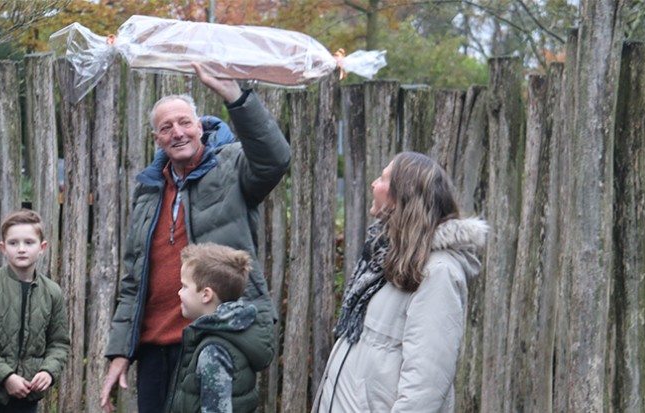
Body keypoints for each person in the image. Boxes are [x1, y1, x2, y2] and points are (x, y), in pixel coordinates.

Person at [100, 62, 290, 413]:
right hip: (156, 346)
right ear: (156, 139)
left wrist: (235, 96)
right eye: (166, 127)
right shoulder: (149, 189)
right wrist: (119, 352)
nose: (177, 132)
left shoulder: (232, 165)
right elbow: (134, 279)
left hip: (215, 341)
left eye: (185, 122)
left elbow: (275, 160)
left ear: (201, 127)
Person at [312, 152, 489, 412]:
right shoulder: (387, 258)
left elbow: (425, 386)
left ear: (402, 197)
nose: (373, 184)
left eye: (383, 178)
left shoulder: (438, 272)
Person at [0, 209, 70, 413]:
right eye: (13, 243)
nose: (21, 249)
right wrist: (6, 377)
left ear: (42, 247)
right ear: (3, 248)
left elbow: (59, 343)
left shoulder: (52, 292)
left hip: (27, 398)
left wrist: (48, 371)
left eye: (29, 242)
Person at [167, 243, 274, 413]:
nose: (179, 292)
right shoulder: (233, 334)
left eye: (185, 286)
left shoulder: (213, 351)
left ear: (206, 295)